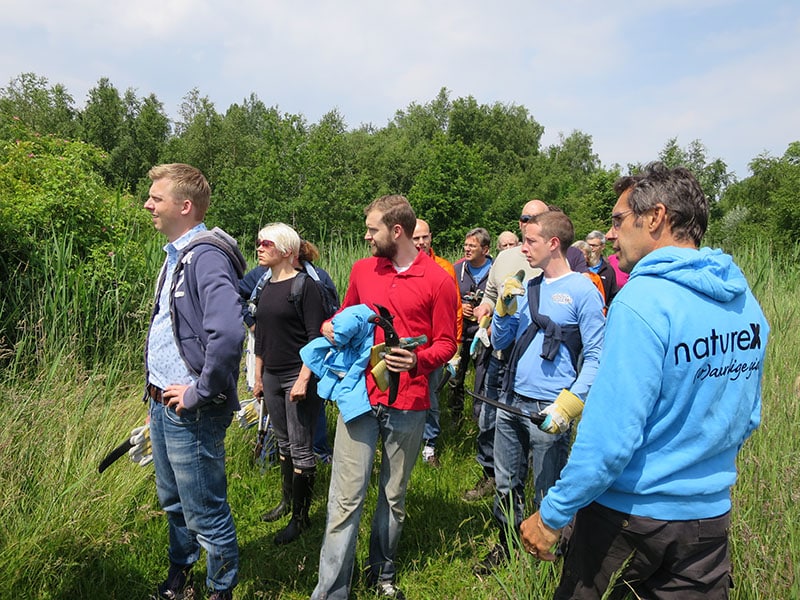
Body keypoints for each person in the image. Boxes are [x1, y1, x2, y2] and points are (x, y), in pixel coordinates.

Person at [520, 162, 769, 599]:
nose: (611, 234)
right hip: (708, 524)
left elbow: (610, 439)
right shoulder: (744, 302)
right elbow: (747, 417)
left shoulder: (643, 300)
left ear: (655, 217)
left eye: (619, 220)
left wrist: (552, 514)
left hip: (628, 521)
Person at [311, 195, 458, 600]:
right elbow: (345, 318)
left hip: (409, 402)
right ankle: (331, 590)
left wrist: (417, 359)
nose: (367, 235)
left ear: (396, 231)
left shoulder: (440, 280)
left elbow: (448, 342)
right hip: (360, 398)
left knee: (393, 496)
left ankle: (383, 573)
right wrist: (329, 327)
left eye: (372, 228)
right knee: (345, 496)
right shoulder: (363, 270)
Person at [475, 211, 604, 576]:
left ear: (552, 243)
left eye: (530, 241)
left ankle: (547, 560)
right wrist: (503, 310)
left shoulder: (583, 290)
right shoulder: (527, 285)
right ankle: (507, 545)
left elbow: (597, 354)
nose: (523, 247)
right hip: (510, 400)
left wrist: (569, 406)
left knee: (546, 489)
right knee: (505, 483)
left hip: (550, 409)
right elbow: (500, 341)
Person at [143, 163, 246, 600]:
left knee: (204, 508)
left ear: (185, 206)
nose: (148, 204)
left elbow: (230, 331)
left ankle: (220, 589)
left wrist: (200, 392)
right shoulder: (176, 255)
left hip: (192, 410)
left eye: (157, 198)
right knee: (174, 502)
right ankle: (179, 579)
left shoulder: (204, 256)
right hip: (163, 402)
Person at [465, 199, 549, 502]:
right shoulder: (506, 258)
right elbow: (489, 294)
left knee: (533, 428)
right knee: (490, 420)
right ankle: (492, 476)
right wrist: (486, 308)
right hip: (500, 355)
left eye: (536, 217)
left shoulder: (558, 258)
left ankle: (533, 488)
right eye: (525, 218)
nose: (529, 222)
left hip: (538, 361)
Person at [251, 223, 326, 545]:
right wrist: (257, 374)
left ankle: (301, 517)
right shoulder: (265, 286)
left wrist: (304, 378)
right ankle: (286, 502)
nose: (259, 247)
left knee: (300, 446)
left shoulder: (306, 287)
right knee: (283, 444)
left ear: (285, 250)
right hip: (271, 375)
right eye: (258, 242)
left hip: (297, 375)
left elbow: (316, 338)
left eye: (265, 243)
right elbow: (260, 336)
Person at [412, 218, 462, 468]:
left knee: (431, 396)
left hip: (435, 347)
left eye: (424, 237)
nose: (421, 243)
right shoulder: (402, 265)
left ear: (431, 237)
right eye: (416, 238)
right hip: (410, 345)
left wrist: (454, 347)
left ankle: (429, 445)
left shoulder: (444, 268)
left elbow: (456, 309)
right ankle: (405, 443)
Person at [450, 227, 493, 423]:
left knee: (483, 378)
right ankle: (455, 417)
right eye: (466, 245)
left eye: (472, 246)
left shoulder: (495, 271)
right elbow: (447, 298)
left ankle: (480, 418)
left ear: (485, 249)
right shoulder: (456, 269)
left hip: (485, 334)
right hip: (460, 333)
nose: (467, 249)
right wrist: (460, 307)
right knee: (455, 377)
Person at [585, 230, 619, 307]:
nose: (590, 248)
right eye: (588, 245)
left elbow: (612, 295)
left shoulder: (608, 270)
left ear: (602, 247)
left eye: (594, 245)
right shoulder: (578, 267)